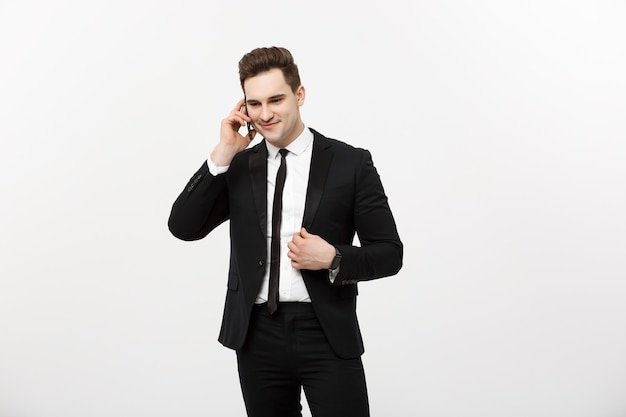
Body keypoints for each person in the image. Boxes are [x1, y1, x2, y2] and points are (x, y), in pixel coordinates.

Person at [168, 46, 402, 417]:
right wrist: (223, 152)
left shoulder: (350, 162)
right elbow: (183, 226)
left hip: (324, 331)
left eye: (276, 100)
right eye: (255, 104)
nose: (265, 114)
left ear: (300, 95)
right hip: (256, 334)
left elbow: (390, 253)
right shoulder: (240, 166)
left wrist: (334, 257)